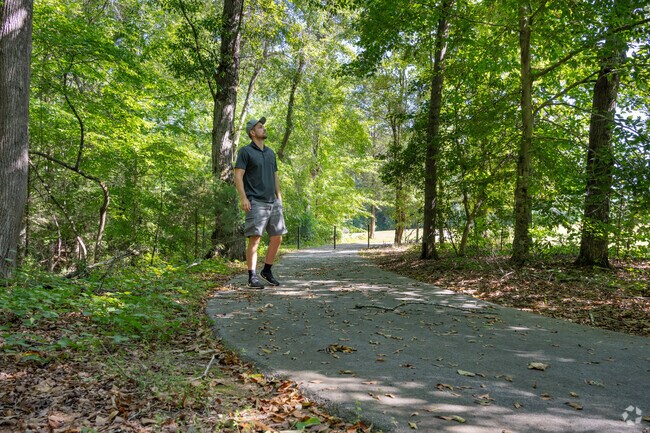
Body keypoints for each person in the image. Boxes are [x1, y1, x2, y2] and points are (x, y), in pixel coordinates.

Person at [234, 117, 288, 288]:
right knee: (255, 239)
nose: (264, 129)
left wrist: (279, 196)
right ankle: (252, 276)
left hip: (273, 202)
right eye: (260, 127)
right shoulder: (245, 152)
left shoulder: (271, 153)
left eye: (263, 126)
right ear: (252, 132)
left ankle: (267, 270)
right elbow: (238, 176)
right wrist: (243, 197)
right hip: (255, 201)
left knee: (277, 238)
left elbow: (275, 176)